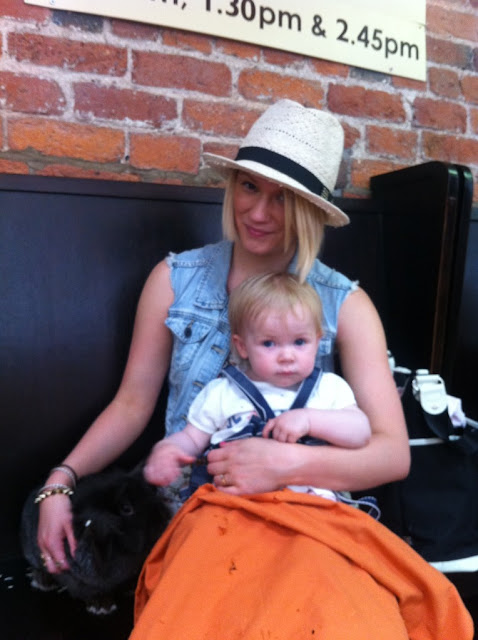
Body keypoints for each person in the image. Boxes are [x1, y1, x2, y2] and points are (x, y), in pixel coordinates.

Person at [35, 99, 472, 638]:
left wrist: (286, 463)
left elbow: (391, 455)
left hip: (314, 519)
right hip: (202, 517)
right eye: (249, 186)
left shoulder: (347, 305)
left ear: (310, 210)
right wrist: (59, 483)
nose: (259, 212)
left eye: (282, 197)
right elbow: (131, 405)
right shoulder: (174, 280)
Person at [145, 271, 372, 504]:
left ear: (317, 341)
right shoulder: (223, 392)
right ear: (242, 346)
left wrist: (310, 420)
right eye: (269, 343)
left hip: (312, 508)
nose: (287, 356)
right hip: (235, 506)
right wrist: (170, 449)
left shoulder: (329, 388)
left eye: (300, 342)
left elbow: (361, 432)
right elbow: (192, 439)